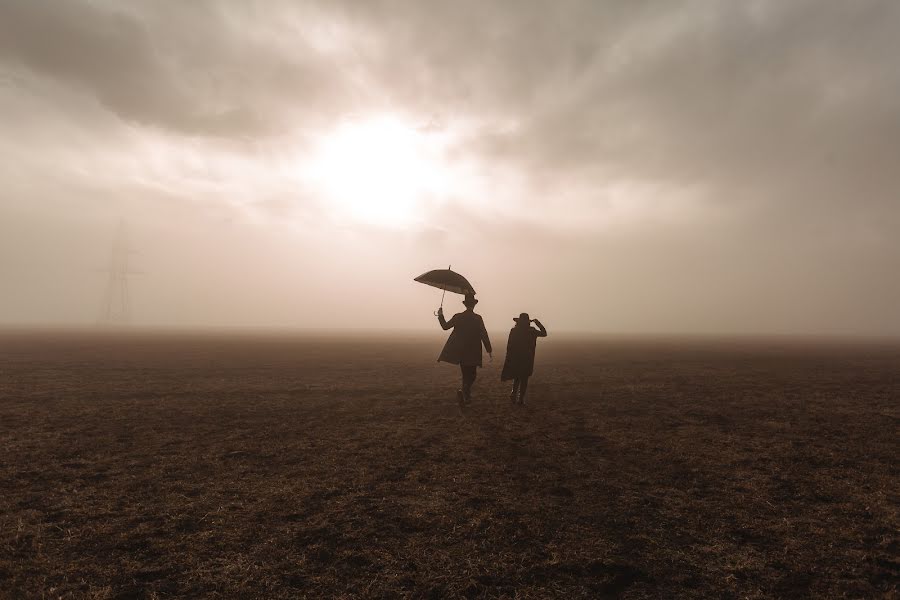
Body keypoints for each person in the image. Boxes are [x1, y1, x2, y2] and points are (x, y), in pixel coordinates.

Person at [437, 293, 492, 405]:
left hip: (461, 351)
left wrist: (440, 315)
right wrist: (489, 349)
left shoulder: (458, 316)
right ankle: (465, 394)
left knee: (466, 374)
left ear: (465, 304)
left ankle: (464, 394)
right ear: (474, 305)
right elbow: (484, 334)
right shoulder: (477, 318)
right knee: (472, 375)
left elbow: (445, 326)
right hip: (473, 351)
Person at [501, 313, 547, 405]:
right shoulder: (532, 331)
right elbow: (544, 333)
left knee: (517, 376)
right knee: (524, 378)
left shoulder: (514, 330)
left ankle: (513, 393)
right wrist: (537, 323)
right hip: (527, 358)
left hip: (516, 357)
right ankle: (520, 398)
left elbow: (509, 345)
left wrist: (509, 357)